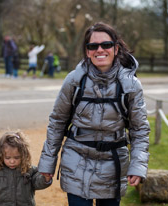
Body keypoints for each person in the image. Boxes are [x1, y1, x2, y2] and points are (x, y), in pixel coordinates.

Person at [38, 22, 150, 206]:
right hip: (76, 160)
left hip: (113, 165)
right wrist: (47, 163)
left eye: (106, 45)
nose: (100, 50)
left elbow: (139, 129)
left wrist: (138, 166)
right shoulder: (74, 80)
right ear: (87, 51)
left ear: (116, 48)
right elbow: (57, 122)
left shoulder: (131, 85)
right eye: (93, 46)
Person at [0, 131, 52, 206]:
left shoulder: (29, 170)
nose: (12, 161)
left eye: (16, 157)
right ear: (0, 155)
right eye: (7, 158)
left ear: (23, 155)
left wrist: (45, 178)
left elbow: (38, 183)